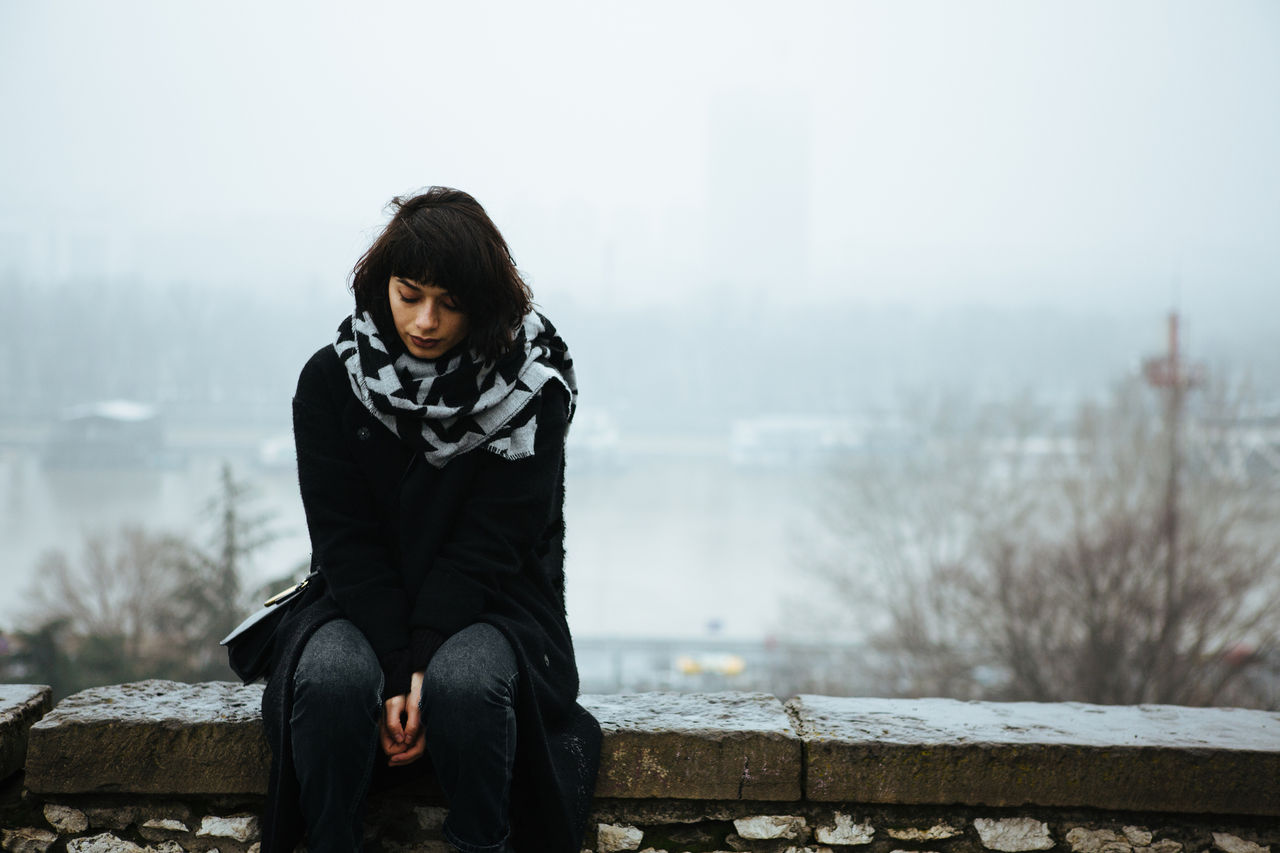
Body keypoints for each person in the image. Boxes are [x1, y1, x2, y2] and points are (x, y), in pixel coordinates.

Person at [259, 187, 601, 853]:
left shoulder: (531, 390)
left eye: (450, 302)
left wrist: (418, 669)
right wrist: (393, 664)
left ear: (485, 304)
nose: (425, 320)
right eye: (409, 293)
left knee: (464, 683)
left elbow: (494, 543)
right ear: (379, 284)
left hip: (499, 603)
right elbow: (344, 539)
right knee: (330, 680)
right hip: (356, 599)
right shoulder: (331, 382)